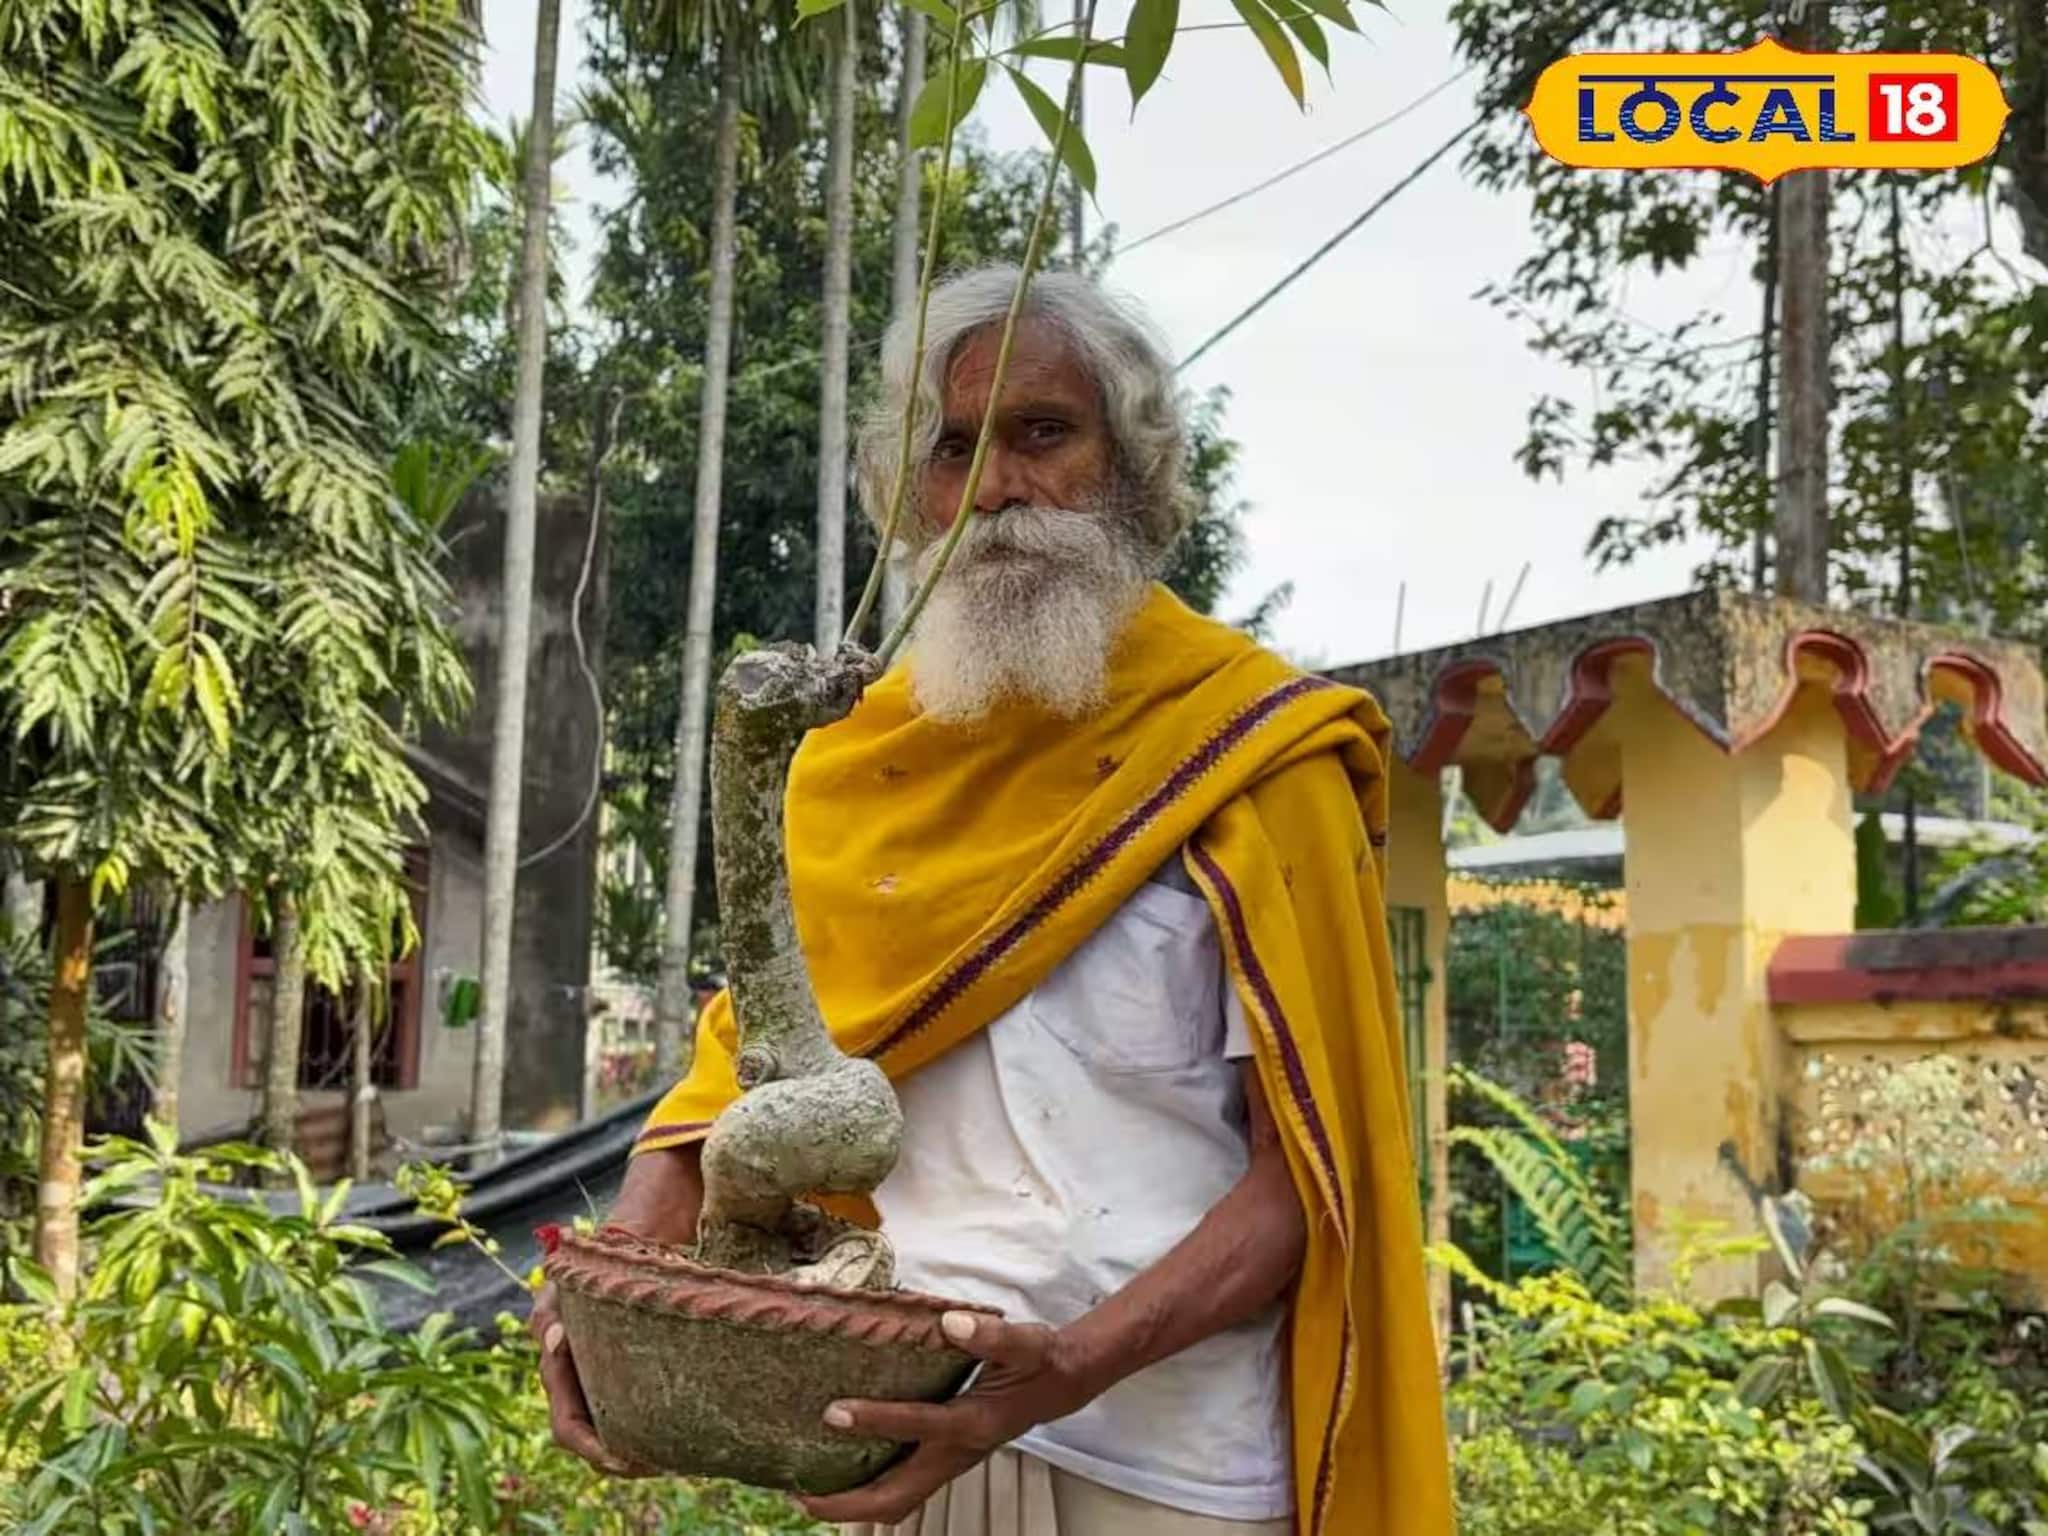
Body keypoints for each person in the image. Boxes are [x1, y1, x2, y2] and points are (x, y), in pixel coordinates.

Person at [531, 266, 1452, 1536]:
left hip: (1172, 1469)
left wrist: (1068, 1365)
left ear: (1131, 467)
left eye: (1042, 433)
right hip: (892, 1445)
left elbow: (1303, 1177)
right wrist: (612, 1279)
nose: (995, 488)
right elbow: (749, 1064)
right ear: (909, 493)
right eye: (950, 448)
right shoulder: (856, 767)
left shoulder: (1252, 757)